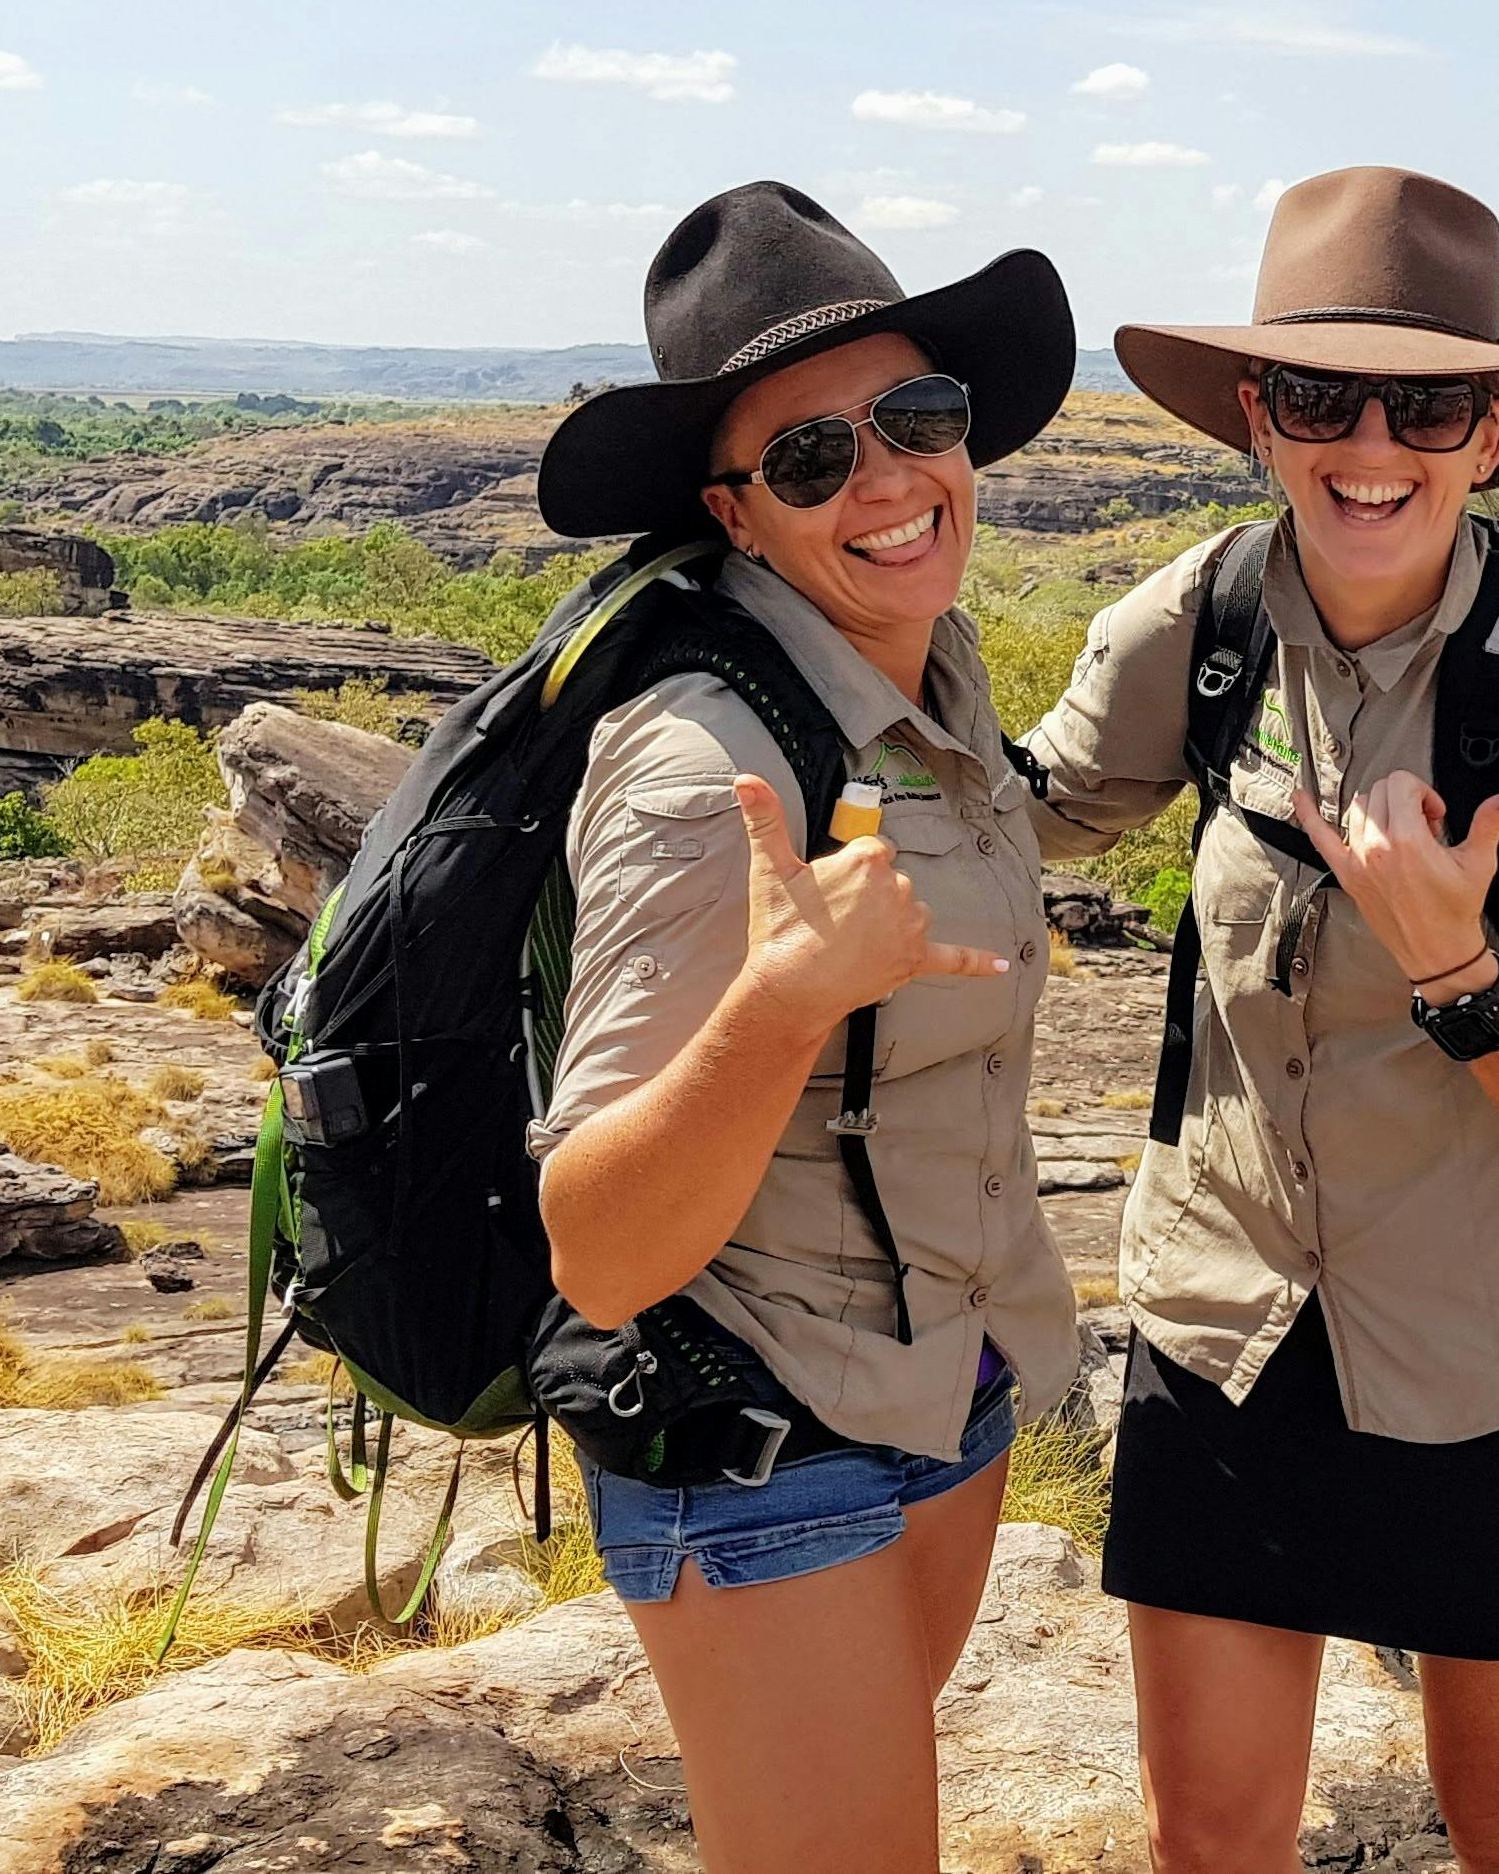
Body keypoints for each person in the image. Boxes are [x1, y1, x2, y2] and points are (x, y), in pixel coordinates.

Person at [1024, 166, 1499, 1874]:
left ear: (1490, 438)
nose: (1372, 443)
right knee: (1215, 1835)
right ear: (1260, 417)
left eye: (1430, 404)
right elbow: (1020, 811)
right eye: (1325, 395)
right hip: (1230, 1318)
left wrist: (1461, 979)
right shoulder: (1205, 619)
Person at [523, 182, 1085, 1874]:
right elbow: (601, 1252)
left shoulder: (927, 671)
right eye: (814, 459)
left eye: (918, 419)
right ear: (735, 513)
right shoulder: (710, 775)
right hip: (759, 1442)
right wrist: (779, 1004)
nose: (893, 479)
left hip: (940, 1393)